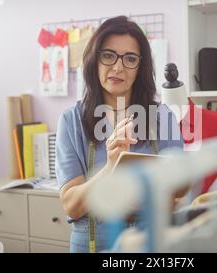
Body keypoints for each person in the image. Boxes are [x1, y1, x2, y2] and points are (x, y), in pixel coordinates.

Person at [55, 16, 184, 253]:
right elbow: (72, 206)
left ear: (140, 67)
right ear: (95, 60)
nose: (118, 67)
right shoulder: (71, 121)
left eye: (130, 59)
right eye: (108, 55)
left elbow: (171, 199)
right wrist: (110, 166)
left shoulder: (162, 118)